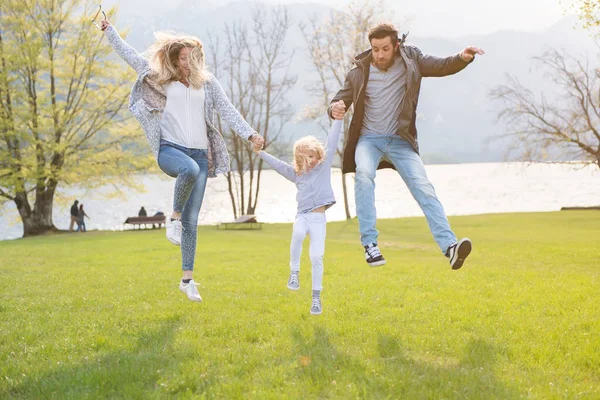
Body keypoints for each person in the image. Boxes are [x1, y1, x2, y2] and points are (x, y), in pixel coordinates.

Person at [100, 19, 264, 302]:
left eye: (193, 57)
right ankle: (171, 219)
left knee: (193, 219)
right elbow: (129, 55)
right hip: (170, 151)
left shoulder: (208, 84)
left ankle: (187, 280)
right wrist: (109, 31)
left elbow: (228, 109)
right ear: (175, 59)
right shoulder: (159, 77)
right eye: (184, 57)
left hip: (201, 154)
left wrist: (250, 134)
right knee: (185, 178)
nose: (189, 62)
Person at [328, 23, 483, 270]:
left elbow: (442, 65)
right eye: (375, 49)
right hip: (368, 140)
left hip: (400, 141)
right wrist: (335, 107)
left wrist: (462, 58)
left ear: (396, 46)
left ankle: (450, 247)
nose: (379, 54)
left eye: (385, 49)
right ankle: (370, 244)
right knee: (364, 175)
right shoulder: (359, 71)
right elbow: (341, 99)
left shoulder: (412, 59)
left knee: (424, 187)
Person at [253, 117, 343, 315]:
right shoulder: (296, 174)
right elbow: (278, 165)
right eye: (305, 158)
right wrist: (260, 153)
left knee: (317, 256)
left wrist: (338, 120)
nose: (310, 161)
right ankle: (294, 272)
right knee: (298, 234)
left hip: (319, 219)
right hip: (302, 216)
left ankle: (316, 298)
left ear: (318, 154)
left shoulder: (323, 167)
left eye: (312, 156)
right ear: (299, 159)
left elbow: (333, 140)